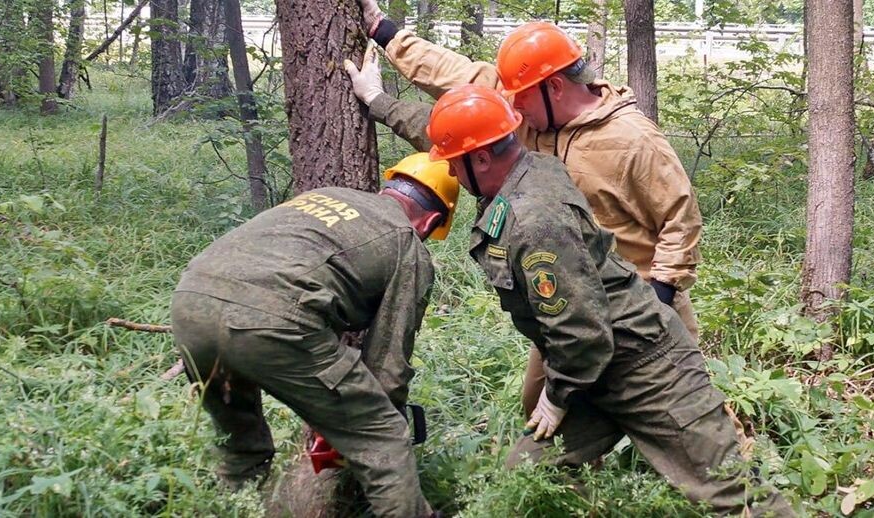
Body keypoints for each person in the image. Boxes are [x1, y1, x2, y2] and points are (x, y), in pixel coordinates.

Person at [425, 84, 793, 516]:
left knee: (730, 490)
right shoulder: (532, 165)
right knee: (526, 476)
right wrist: (380, 103)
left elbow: (580, 331)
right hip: (590, 370)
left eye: (453, 163)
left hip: (647, 365)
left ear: (482, 157)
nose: (451, 173)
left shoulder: (534, 220)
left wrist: (557, 397)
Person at [348, 13, 706, 418]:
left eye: (520, 95)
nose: (510, 103)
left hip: (638, 302)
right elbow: (456, 80)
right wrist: (383, 34)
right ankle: (572, 474)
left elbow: (681, 219)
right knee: (541, 411)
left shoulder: (633, 139)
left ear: (554, 86)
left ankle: (738, 466)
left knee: (689, 418)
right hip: (567, 300)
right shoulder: (525, 117)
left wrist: (660, 295)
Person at [170, 153, 459, 518]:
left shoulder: (329, 195)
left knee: (242, 449)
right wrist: (358, 420)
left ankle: (233, 507)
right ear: (432, 220)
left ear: (390, 187)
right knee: (381, 433)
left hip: (190, 303)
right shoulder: (407, 243)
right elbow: (389, 367)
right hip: (270, 319)